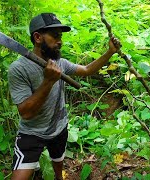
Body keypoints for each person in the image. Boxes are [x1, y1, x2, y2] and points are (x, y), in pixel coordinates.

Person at [8, 13, 121, 180]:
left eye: (60, 36)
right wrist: (48, 81)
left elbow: (87, 70)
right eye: (54, 36)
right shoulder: (19, 69)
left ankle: (58, 177)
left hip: (58, 126)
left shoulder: (60, 63)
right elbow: (26, 113)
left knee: (58, 158)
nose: (59, 41)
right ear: (38, 37)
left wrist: (110, 52)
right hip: (31, 132)